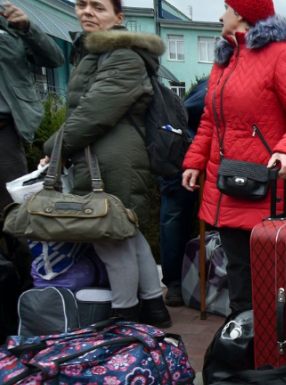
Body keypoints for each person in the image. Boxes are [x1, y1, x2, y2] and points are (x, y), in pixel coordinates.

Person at [182, 0, 286, 314]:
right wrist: (194, 161)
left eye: (226, 8)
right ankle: (241, 337)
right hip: (224, 183)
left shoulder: (283, 56)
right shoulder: (224, 61)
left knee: (266, 274)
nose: (221, 15)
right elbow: (209, 121)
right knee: (237, 269)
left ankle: (271, 344)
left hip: (263, 184)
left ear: (243, 13)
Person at [41, 0, 171, 326]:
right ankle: (154, 309)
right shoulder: (98, 54)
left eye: (98, 7)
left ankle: (124, 315)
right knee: (127, 232)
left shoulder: (122, 55)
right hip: (106, 154)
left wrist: (54, 149)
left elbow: (93, 113)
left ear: (119, 17)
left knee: (108, 235)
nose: (87, 11)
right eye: (82, 5)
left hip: (111, 158)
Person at [0, 1, 64, 209]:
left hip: (4, 135)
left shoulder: (9, 22)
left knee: (13, 209)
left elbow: (54, 59)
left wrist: (27, 27)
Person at [162, 77, 207, 307]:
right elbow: (186, 115)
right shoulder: (213, 85)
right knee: (175, 216)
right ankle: (175, 283)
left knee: (176, 217)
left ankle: (203, 281)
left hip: (195, 150)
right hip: (182, 150)